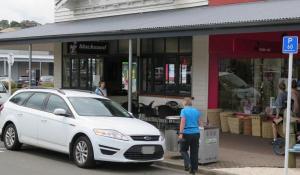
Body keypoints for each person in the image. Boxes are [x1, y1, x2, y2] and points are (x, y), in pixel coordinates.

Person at [178, 97, 203, 175]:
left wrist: (181, 133)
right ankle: (194, 169)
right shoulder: (196, 111)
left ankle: (188, 164)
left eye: (183, 103)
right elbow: (200, 123)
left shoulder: (183, 110)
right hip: (196, 133)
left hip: (187, 133)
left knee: (183, 150)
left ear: (185, 103)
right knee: (194, 152)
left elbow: (183, 122)